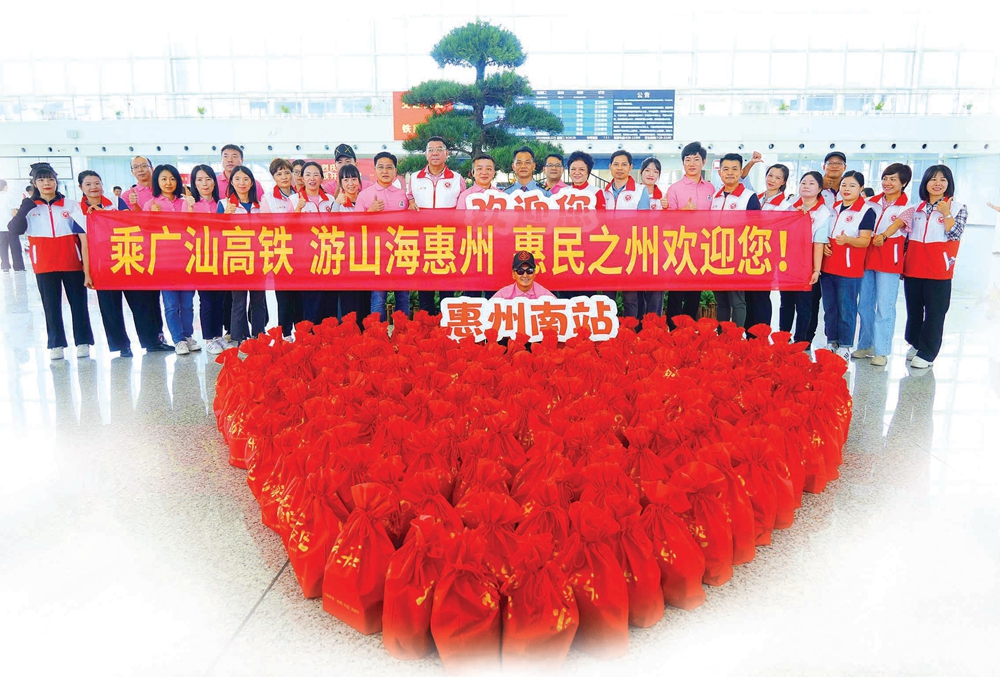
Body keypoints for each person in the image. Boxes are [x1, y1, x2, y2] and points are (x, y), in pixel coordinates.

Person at [8, 163, 93, 360]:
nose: (46, 183)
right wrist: (24, 209)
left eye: (50, 179)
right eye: (41, 179)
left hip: (72, 261)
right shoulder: (30, 206)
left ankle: (83, 341)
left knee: (79, 304)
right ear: (34, 183)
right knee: (51, 306)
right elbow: (14, 230)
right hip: (44, 264)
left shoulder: (70, 204)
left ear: (56, 181)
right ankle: (56, 344)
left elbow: (84, 231)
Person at [903, 165, 967, 369]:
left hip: (939, 270)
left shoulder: (957, 208)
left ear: (949, 184)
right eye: (933, 179)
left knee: (935, 312)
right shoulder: (915, 208)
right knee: (914, 310)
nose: (937, 183)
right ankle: (915, 343)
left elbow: (955, 234)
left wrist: (946, 213)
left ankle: (928, 352)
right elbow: (906, 239)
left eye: (943, 179)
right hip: (913, 267)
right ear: (925, 183)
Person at [853, 164, 914, 366]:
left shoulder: (907, 207)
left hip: (889, 259)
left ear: (903, 183)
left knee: (885, 307)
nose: (887, 183)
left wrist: (884, 235)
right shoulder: (871, 202)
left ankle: (882, 350)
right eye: (885, 178)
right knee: (865, 304)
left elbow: (898, 224)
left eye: (893, 179)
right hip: (867, 257)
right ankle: (865, 345)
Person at [78, 170, 143, 358]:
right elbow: (85, 245)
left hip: (126, 258)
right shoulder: (78, 212)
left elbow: (130, 223)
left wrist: (103, 215)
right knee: (110, 308)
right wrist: (87, 273)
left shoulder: (116, 202)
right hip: (102, 266)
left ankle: (151, 341)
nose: (93, 187)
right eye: (88, 184)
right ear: (81, 187)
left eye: (97, 183)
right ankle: (122, 346)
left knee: (140, 303)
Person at [821, 170, 876, 360]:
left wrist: (848, 240)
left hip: (849, 269)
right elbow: (826, 232)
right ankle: (831, 341)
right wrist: (825, 244)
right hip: (828, 266)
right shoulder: (833, 208)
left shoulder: (866, 211)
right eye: (844, 185)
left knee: (847, 309)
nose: (847, 189)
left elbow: (865, 241)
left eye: (852, 185)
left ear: (861, 188)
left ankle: (845, 345)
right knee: (830, 308)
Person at [144, 165, 198, 355]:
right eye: (164, 179)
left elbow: (193, 228)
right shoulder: (151, 204)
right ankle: (178, 339)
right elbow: (146, 233)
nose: (168, 183)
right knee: (171, 304)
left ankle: (188, 335)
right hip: (164, 261)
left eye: (172, 179)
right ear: (157, 181)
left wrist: (190, 208)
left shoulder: (185, 202)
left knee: (187, 304)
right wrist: (154, 217)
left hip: (186, 259)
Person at [409, 136, 463, 315]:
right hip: (423, 242)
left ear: (446, 154)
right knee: (425, 288)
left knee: (447, 289)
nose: (435, 153)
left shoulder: (457, 179)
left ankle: (447, 324)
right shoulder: (414, 178)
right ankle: (426, 325)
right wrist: (410, 203)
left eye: (439, 149)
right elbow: (408, 199)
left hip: (448, 241)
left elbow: (463, 208)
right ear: (425, 154)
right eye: (431, 150)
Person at [356, 152, 411, 322]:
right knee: (378, 298)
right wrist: (370, 212)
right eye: (381, 167)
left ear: (395, 171)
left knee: (403, 297)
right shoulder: (365, 195)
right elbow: (355, 226)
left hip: (401, 253)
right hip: (377, 254)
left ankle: (404, 333)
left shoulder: (403, 195)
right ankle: (377, 335)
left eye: (389, 167)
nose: (385, 171)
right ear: (375, 170)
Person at [780, 171, 833, 346]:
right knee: (786, 303)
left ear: (820, 189)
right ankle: (783, 337)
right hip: (788, 263)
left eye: (811, 183)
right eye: (803, 183)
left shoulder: (823, 213)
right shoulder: (789, 207)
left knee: (804, 305)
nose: (806, 186)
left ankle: (801, 341)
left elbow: (818, 243)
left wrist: (816, 270)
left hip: (807, 264)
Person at [217, 166, 267, 348]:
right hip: (236, 259)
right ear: (231, 182)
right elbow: (216, 232)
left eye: (246, 179)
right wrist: (226, 216)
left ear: (252, 182)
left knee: (258, 300)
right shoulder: (224, 205)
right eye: (237, 179)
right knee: (238, 301)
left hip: (258, 260)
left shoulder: (259, 206)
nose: (241, 183)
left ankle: (259, 335)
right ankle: (238, 338)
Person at [711, 153, 762, 330]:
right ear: (720, 173)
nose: (730, 173)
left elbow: (756, 228)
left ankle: (736, 336)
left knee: (737, 300)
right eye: (726, 169)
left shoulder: (749, 197)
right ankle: (722, 335)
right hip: (716, 255)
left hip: (738, 256)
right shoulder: (715, 197)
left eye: (734, 169)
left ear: (741, 172)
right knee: (721, 300)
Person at [665, 141, 714, 326]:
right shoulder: (674, 188)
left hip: (702, 247)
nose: (692, 163)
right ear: (683, 163)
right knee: (676, 292)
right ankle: (673, 329)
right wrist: (683, 211)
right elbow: (667, 221)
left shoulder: (711, 189)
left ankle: (689, 330)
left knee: (695, 292)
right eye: (687, 159)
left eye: (696, 159)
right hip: (679, 246)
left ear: (704, 162)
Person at [603, 150, 652, 320]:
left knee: (630, 297)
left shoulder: (640, 191)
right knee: (607, 297)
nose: (619, 168)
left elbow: (644, 223)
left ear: (630, 167)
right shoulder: (603, 193)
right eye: (616, 164)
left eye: (624, 164)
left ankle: (631, 332)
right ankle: (608, 330)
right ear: (610, 167)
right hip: (607, 252)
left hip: (630, 251)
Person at [187, 166, 231, 356]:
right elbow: (185, 229)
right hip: (201, 257)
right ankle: (208, 339)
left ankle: (218, 335)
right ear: (194, 183)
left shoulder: (221, 204)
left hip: (220, 257)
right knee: (206, 300)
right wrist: (190, 209)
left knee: (220, 300)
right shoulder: (189, 204)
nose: (204, 184)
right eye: (199, 180)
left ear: (214, 181)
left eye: (208, 179)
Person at [322, 164, 372, 330]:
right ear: (340, 183)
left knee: (364, 296)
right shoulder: (337, 203)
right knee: (348, 297)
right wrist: (336, 205)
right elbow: (330, 227)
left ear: (359, 181)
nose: (350, 183)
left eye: (354, 179)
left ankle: (364, 331)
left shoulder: (366, 200)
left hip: (365, 256)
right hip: (345, 258)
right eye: (346, 180)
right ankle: (349, 331)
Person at [1, 179, 26, 272]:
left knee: (2, 248)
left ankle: (5, 266)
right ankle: (18, 267)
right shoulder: (9, 196)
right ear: (5, 187)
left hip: (0, 228)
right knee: (15, 248)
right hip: (11, 227)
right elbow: (14, 212)